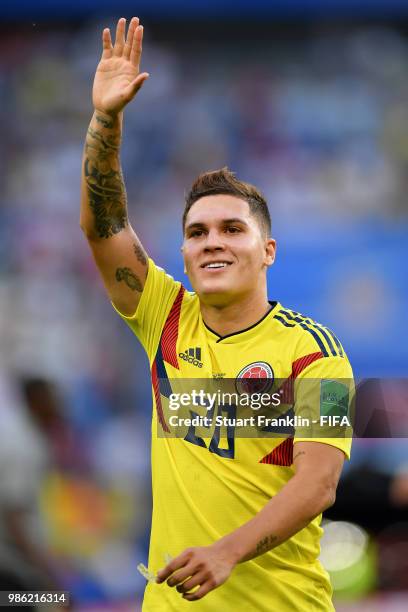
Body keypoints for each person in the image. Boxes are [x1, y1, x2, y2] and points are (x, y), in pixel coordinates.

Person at [80, 17, 354, 611]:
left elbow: (319, 481)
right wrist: (107, 119)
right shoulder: (163, 316)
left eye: (233, 228)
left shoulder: (316, 352)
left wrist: (226, 551)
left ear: (268, 251)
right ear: (182, 252)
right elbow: (104, 227)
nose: (213, 242)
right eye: (197, 232)